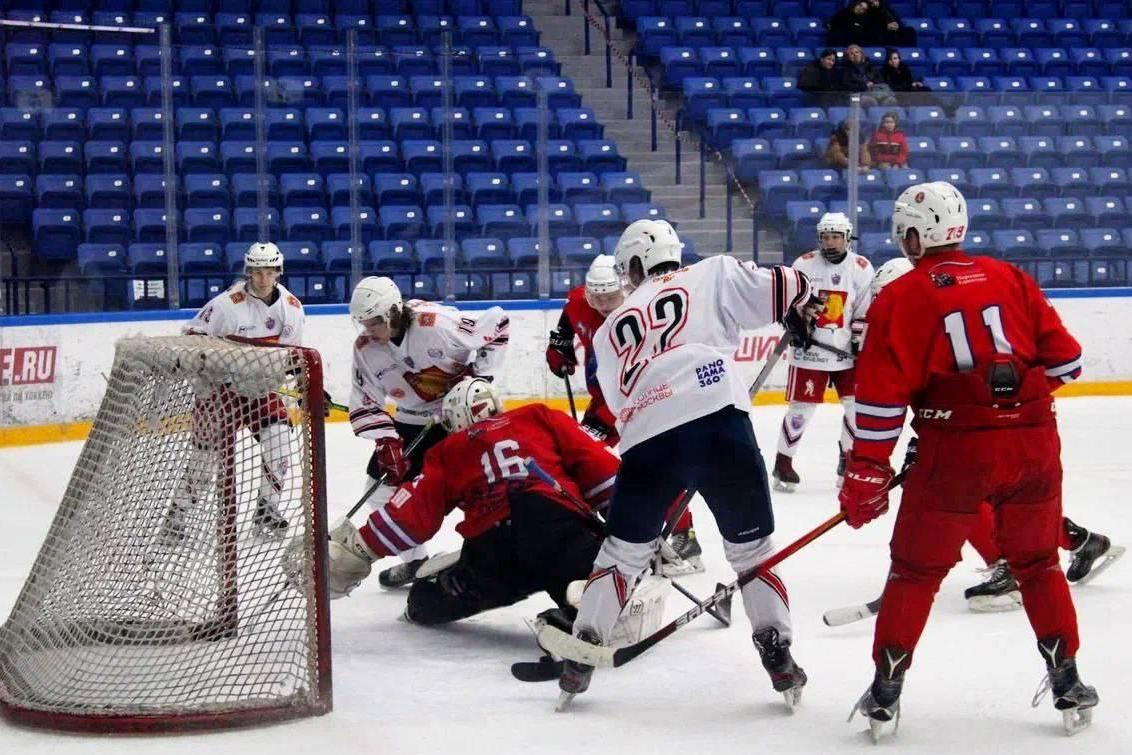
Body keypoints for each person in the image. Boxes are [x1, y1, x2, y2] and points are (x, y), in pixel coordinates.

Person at [841, 182, 1098, 738]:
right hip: (1032, 445)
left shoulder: (902, 295)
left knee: (915, 572)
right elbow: (1067, 362)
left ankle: (886, 690)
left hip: (954, 450)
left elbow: (882, 401)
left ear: (913, 233)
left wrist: (868, 471)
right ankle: (1068, 679)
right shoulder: (1009, 276)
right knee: (1038, 565)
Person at [559, 218, 820, 708]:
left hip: (646, 438)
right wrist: (799, 303)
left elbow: (617, 403)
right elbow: (789, 284)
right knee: (752, 551)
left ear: (634, 266)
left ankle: (584, 644)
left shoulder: (610, 328)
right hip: (719, 418)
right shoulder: (713, 272)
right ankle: (776, 649)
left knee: (621, 552)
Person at [871, 259, 1124, 613]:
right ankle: (1081, 541)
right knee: (999, 501)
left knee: (968, 496)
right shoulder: (927, 316)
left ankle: (1009, 563)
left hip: (999, 423)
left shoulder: (939, 318)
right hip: (986, 426)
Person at [324, 377, 618, 627]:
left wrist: (360, 548)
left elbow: (413, 512)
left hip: (492, 551)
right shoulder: (538, 415)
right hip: (554, 527)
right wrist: (634, 526)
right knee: (585, 586)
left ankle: (427, 599)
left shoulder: (447, 449)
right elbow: (598, 466)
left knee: (423, 604)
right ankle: (579, 612)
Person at [347, 276, 510, 588]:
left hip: (459, 414)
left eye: (374, 322)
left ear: (393, 312)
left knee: (481, 485)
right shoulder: (366, 348)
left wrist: (479, 376)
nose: (368, 331)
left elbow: (498, 324)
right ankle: (416, 560)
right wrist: (386, 441)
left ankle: (498, 552)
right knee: (379, 487)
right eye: (363, 323)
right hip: (410, 420)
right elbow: (366, 401)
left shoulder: (436, 324)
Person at [546, 255, 705, 574]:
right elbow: (566, 325)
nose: (604, 305)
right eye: (598, 298)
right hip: (605, 401)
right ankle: (599, 532)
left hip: (642, 399)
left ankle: (684, 537)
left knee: (653, 464)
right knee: (581, 460)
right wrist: (559, 349)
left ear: (625, 290)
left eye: (611, 297)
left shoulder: (641, 311)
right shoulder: (579, 301)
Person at [168, 242, 306, 540]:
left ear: (278, 272)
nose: (262, 278)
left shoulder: (292, 309)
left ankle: (266, 510)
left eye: (268, 271)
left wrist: (306, 386)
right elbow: (191, 333)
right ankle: (177, 516)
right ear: (249, 271)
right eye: (256, 271)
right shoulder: (226, 304)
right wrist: (201, 363)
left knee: (281, 437)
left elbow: (291, 356)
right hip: (219, 391)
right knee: (204, 462)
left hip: (259, 391)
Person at [773, 213, 874, 492]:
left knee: (856, 407)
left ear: (847, 238)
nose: (830, 242)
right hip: (810, 351)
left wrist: (857, 342)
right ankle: (783, 462)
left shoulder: (862, 268)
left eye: (836, 237)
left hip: (845, 353)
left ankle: (847, 459)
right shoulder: (803, 264)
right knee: (801, 409)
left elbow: (865, 310)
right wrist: (796, 323)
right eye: (826, 237)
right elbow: (789, 304)